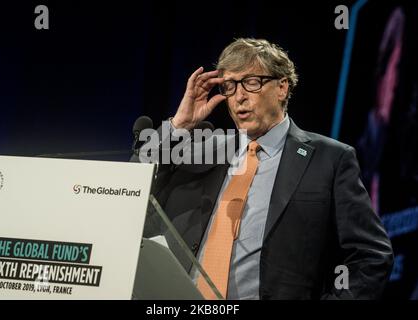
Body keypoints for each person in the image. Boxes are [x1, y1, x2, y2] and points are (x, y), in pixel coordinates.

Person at [143, 38, 393, 300]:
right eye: (230, 85)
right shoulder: (205, 149)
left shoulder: (330, 159)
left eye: (251, 83)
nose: (239, 96)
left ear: (282, 87)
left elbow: (372, 256)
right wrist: (179, 125)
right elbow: (133, 191)